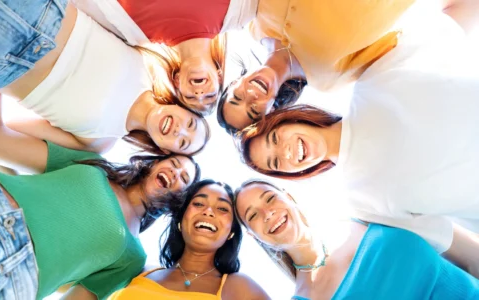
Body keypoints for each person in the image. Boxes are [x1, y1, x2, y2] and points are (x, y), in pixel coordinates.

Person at [235, 2, 479, 257]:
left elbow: (452, 26)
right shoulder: (361, 203)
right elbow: (461, 249)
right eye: (276, 163)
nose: (284, 152)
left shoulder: (373, 80)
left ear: (290, 120)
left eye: (275, 138)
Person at [0, 92, 201, 299]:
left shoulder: (133, 258)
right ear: (155, 163)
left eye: (183, 179)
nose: (175, 173)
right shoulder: (93, 164)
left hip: (9, 269)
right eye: (174, 163)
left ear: (178, 202)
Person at [0, 1, 210, 155]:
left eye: (182, 143)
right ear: (182, 107)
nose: (179, 129)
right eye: (190, 123)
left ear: (165, 150)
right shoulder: (151, 61)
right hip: (40, 8)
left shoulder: (98, 143)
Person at [234, 180, 479, 299]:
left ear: (288, 197)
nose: (268, 214)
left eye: (269, 199)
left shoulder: (367, 215)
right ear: (253, 235)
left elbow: (466, 251)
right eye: (253, 215)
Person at [217, 0, 417, 132]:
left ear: (235, 82)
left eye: (237, 97)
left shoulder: (255, 25)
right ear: (271, 112)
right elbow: (395, 42)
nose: (250, 96)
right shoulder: (331, 79)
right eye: (254, 111)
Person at [71, 0, 259, 114]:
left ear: (177, 81)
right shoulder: (241, 11)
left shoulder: (130, 30)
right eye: (210, 95)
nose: (199, 94)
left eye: (190, 97)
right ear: (219, 76)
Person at [109, 179, 270, 300]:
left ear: (231, 233)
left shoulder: (240, 287)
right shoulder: (139, 271)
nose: (208, 211)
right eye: (199, 203)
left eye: (222, 208)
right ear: (180, 220)